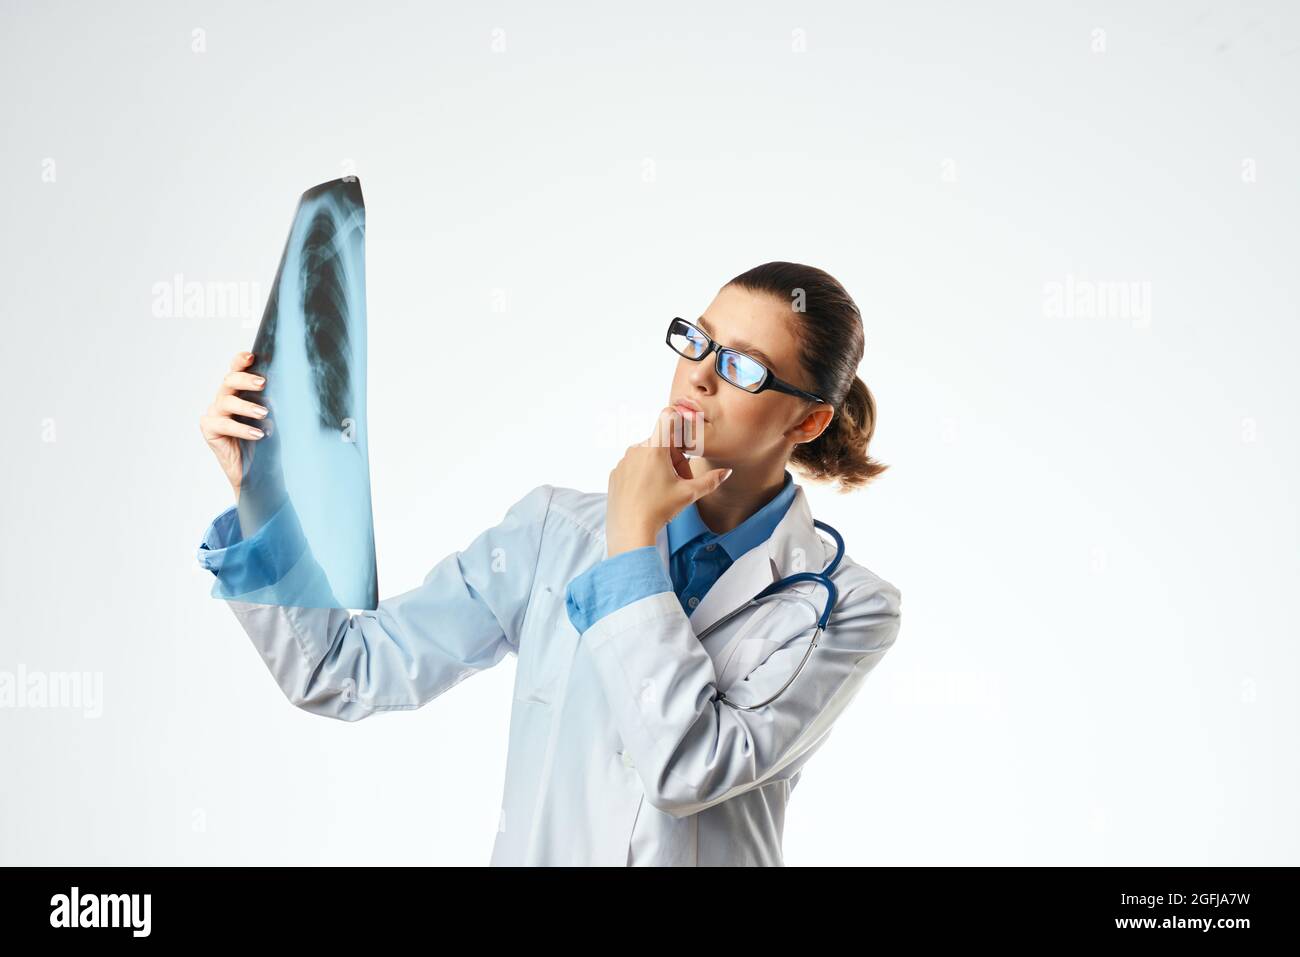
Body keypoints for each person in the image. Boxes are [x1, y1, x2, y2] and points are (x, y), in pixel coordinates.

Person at [196, 260, 903, 866]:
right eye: (698, 341)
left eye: (743, 366)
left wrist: (630, 539)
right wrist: (260, 490)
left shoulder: (847, 605)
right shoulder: (551, 532)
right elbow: (345, 670)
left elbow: (686, 767)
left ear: (807, 421)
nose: (700, 378)